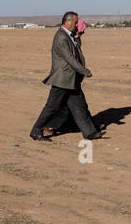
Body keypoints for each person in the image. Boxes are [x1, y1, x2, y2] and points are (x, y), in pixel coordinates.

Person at [29, 11, 103, 142]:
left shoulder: (68, 36)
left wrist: (78, 36)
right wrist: (84, 71)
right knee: (52, 107)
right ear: (67, 22)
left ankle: (90, 132)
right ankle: (36, 131)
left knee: (79, 106)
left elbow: (76, 51)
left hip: (70, 79)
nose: (77, 25)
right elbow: (70, 58)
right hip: (62, 79)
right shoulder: (61, 37)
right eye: (75, 23)